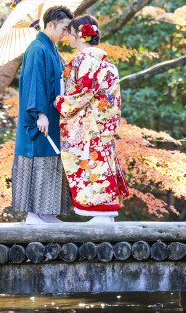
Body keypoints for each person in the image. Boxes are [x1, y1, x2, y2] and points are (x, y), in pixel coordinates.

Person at [55, 15, 129, 224]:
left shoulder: (84, 60)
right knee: (102, 166)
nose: (68, 38)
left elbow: (80, 93)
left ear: (79, 35)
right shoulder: (103, 63)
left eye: (70, 34)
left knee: (93, 168)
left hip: (90, 126)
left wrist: (60, 103)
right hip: (103, 124)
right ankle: (104, 214)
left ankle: (102, 213)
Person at [13, 6, 73, 224]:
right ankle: (32, 213)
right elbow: (34, 82)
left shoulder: (50, 48)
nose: (65, 34)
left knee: (51, 161)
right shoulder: (37, 48)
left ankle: (46, 212)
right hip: (40, 117)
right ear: (50, 25)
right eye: (64, 29)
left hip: (53, 115)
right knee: (37, 161)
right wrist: (40, 113)